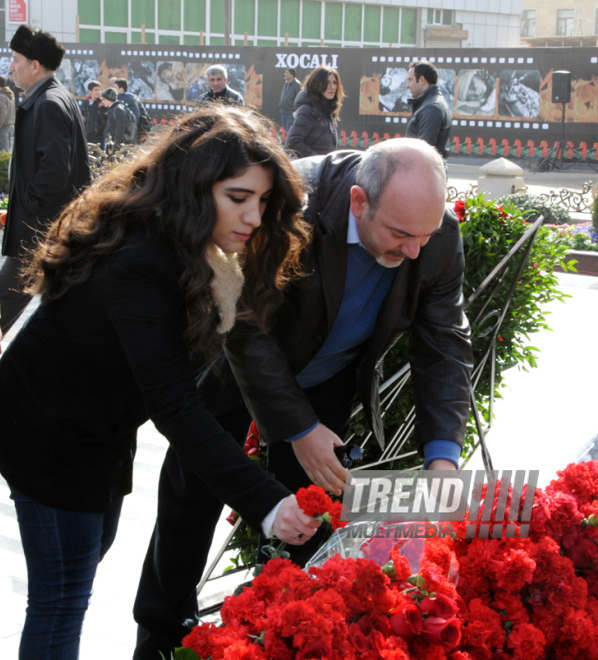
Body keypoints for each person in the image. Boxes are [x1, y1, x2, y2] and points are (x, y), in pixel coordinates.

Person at [0, 105, 319, 660]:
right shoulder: (141, 260)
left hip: (98, 430)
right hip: (44, 435)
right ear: (194, 187)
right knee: (62, 597)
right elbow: (177, 408)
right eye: (238, 198)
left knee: (81, 563)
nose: (255, 217)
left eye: (262, 202)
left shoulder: (188, 247)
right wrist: (266, 502)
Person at [133, 137, 473, 659]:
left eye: (424, 236)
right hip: (230, 366)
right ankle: (160, 640)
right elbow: (245, 324)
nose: (414, 252)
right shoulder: (294, 201)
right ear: (359, 201)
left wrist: (444, 458)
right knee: (191, 501)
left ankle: (289, 637)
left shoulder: (435, 235)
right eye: (401, 234)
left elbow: (444, 345)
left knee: (310, 525)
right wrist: (299, 428)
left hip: (328, 379)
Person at [0, 25, 90, 335]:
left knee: (0, 306)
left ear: (35, 66)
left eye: (16, 58)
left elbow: (54, 172)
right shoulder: (51, 98)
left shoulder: (48, 104)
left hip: (39, 232)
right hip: (49, 230)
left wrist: (28, 205)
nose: (11, 65)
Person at [285, 66, 342, 157]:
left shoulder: (329, 111)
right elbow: (292, 142)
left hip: (325, 169)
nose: (332, 87)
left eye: (335, 82)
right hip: (311, 169)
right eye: (327, 83)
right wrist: (318, 161)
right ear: (317, 84)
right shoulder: (307, 110)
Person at [405, 60, 451, 161]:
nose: (407, 85)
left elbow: (423, 154)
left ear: (422, 80)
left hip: (423, 174)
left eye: (410, 80)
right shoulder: (432, 104)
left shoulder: (431, 108)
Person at [0, 75, 15, 152]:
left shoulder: (1, 96)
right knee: (6, 150)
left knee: (3, 151)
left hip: (3, 126)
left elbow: (1, 113)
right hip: (10, 124)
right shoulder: (9, 94)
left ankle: (5, 165)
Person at [83, 79, 106, 145]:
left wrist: (98, 129)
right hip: (87, 135)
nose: (98, 92)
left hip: (98, 136)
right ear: (90, 91)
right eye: (95, 90)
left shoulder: (102, 102)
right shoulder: (86, 102)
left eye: (99, 89)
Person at [279, 66, 301, 133]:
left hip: (290, 114)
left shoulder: (297, 85)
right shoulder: (286, 83)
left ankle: (289, 143)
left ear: (292, 75)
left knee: (289, 132)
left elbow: (299, 99)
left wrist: (295, 111)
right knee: (285, 132)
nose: (285, 74)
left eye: (287, 73)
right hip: (283, 112)